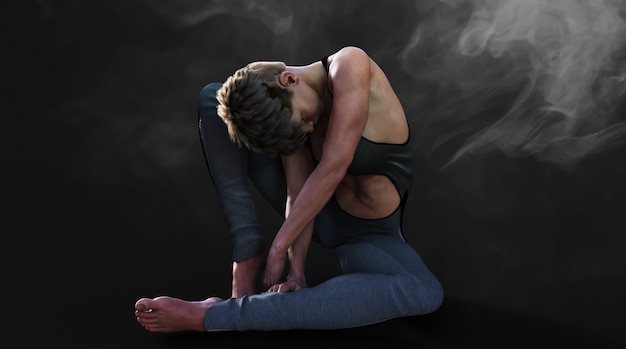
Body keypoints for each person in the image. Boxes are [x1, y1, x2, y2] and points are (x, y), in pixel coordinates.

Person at [135, 46, 444, 332]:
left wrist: (280, 247)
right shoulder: (288, 112)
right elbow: (298, 188)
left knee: (423, 292)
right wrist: (296, 272)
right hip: (310, 212)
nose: (308, 130)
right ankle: (246, 253)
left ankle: (218, 316)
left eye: (305, 120)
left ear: (289, 79)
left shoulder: (350, 65)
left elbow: (333, 166)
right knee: (214, 97)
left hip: (366, 235)